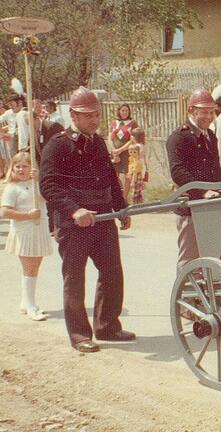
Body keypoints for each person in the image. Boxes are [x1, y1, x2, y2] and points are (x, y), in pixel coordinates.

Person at [40, 86, 135, 354]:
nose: (94, 120)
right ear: (73, 115)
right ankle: (80, 334)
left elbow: (109, 179)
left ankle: (108, 326)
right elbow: (48, 185)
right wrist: (73, 210)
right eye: (87, 115)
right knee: (75, 278)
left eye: (96, 114)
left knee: (112, 273)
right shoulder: (58, 144)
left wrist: (122, 208)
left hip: (103, 218)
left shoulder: (99, 142)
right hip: (74, 224)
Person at [166, 89, 221, 272]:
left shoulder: (210, 137)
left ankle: (205, 297)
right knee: (189, 260)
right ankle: (184, 297)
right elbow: (178, 172)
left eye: (211, 112)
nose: (209, 116)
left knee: (212, 256)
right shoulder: (179, 137)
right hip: (189, 209)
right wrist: (202, 192)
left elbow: (215, 169)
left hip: (209, 206)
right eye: (204, 111)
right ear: (192, 110)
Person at [1, 151, 53, 321]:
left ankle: (26, 302)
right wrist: (28, 215)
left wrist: (40, 179)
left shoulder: (36, 184)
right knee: (29, 268)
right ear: (12, 168)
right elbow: (5, 212)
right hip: (24, 231)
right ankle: (30, 305)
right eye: (18, 166)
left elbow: (48, 197)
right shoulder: (11, 187)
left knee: (34, 267)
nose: (21, 169)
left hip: (40, 228)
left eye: (25, 166)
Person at [109, 103, 138, 199]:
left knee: (128, 176)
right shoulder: (114, 122)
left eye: (127, 110)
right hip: (115, 153)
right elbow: (110, 137)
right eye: (123, 110)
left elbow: (133, 139)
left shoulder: (133, 123)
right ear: (119, 111)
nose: (125, 112)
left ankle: (124, 198)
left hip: (128, 153)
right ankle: (116, 197)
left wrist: (121, 149)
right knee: (113, 175)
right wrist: (114, 151)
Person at [125, 127, 148, 205]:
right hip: (141, 166)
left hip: (137, 167)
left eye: (132, 135)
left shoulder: (137, 146)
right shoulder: (142, 145)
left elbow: (137, 158)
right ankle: (139, 201)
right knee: (139, 185)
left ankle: (135, 202)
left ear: (135, 137)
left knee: (135, 184)